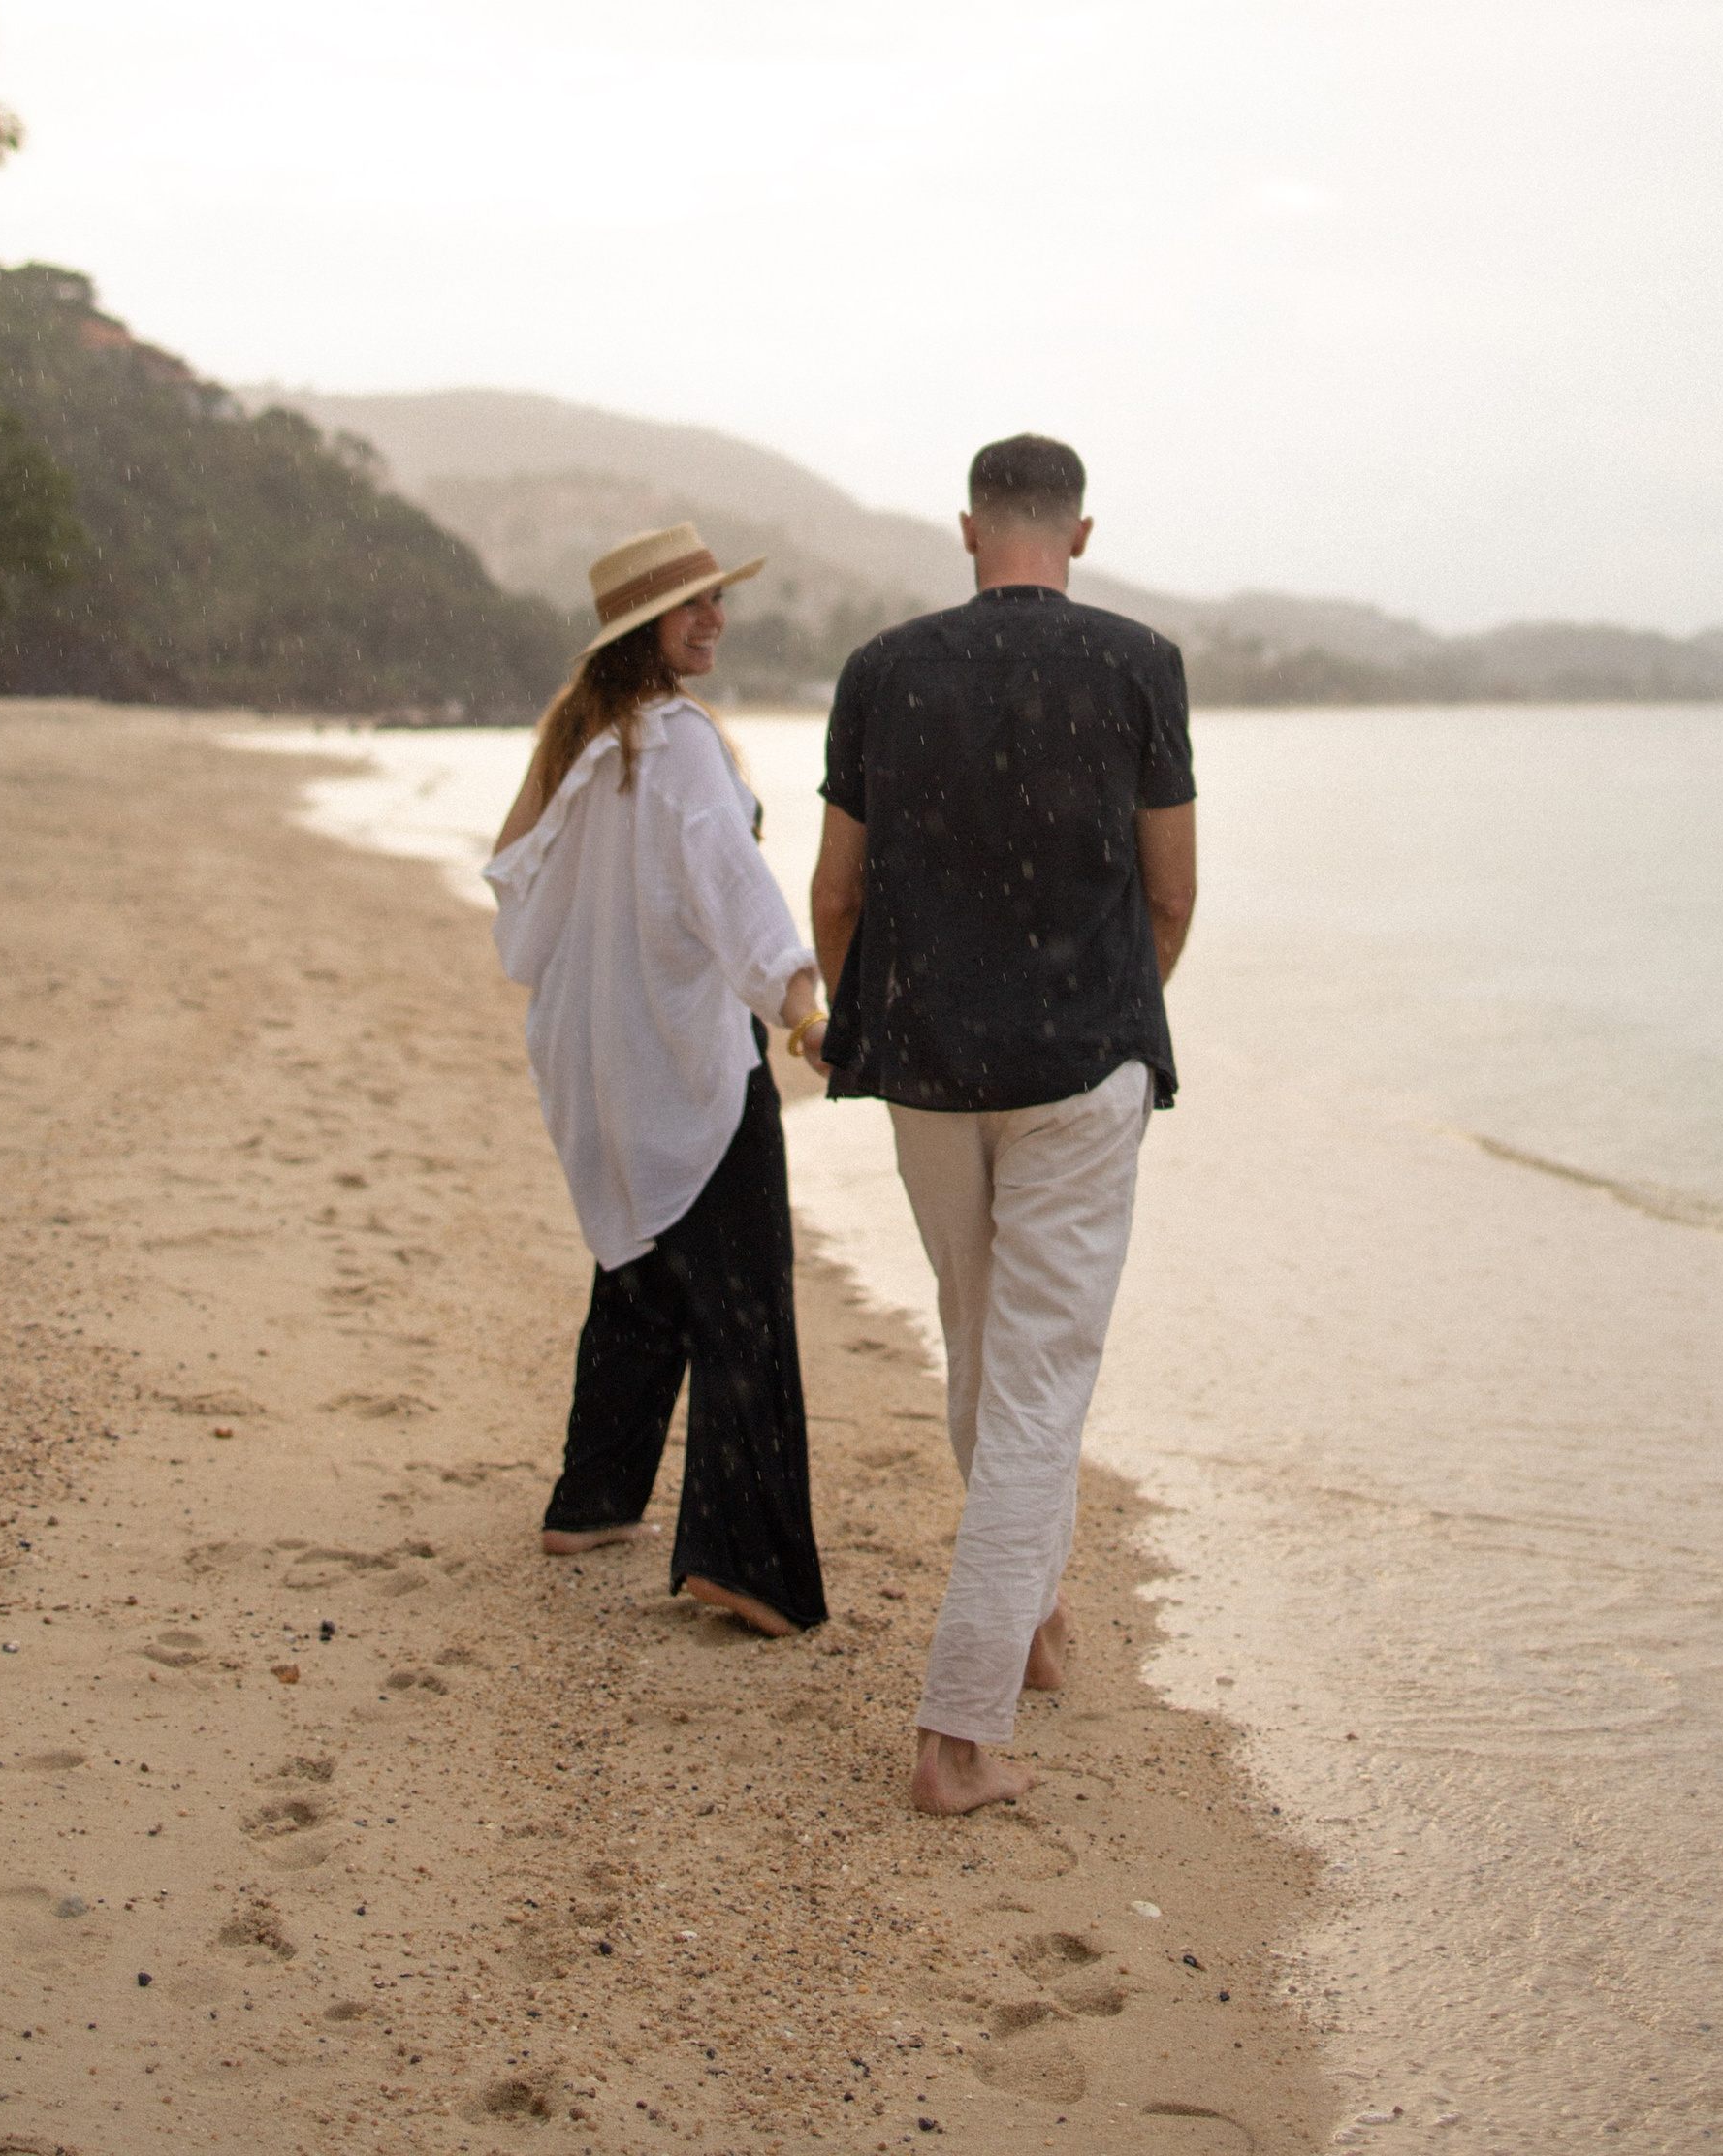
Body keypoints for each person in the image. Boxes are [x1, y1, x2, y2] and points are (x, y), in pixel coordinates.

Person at [808, 434, 1197, 1811]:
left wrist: (864, 1022)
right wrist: (1100, 1012)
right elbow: (1167, 897)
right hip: (1082, 1067)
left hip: (927, 1070)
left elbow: (838, 893)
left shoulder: (883, 670)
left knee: (979, 1340)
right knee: (1036, 1376)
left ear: (971, 530)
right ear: (1077, 536)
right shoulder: (1140, 664)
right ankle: (959, 1734)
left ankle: (1028, 1616)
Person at [487, 523, 830, 1638]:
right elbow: (730, 884)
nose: (716, 618)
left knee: (638, 1267)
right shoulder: (675, 741)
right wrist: (798, 1002)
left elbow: (514, 879)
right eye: (694, 607)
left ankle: (590, 1502)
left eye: (717, 600)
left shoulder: (584, 739)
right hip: (684, 1057)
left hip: (603, 1059)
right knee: (744, 1305)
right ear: (646, 627)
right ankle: (744, 1559)